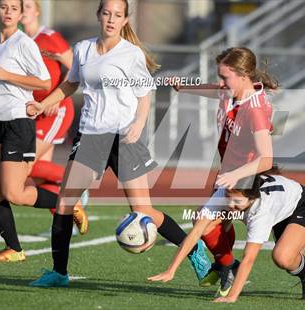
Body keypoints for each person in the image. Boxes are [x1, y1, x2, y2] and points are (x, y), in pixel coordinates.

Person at [27, 0, 210, 288]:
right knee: (65, 202)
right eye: (106, 13)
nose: (111, 19)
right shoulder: (83, 49)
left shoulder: (131, 54)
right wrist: (42, 105)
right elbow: (70, 83)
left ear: (125, 20)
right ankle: (58, 273)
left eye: (117, 15)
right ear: (98, 15)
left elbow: (145, 93)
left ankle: (195, 251)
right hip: (90, 134)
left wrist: (138, 124)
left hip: (125, 136)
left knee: (144, 211)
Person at [148, 171, 305, 302]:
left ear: (251, 197)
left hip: (304, 205)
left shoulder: (261, 210)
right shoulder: (225, 193)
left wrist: (232, 297)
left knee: (283, 257)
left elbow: (249, 259)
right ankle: (227, 264)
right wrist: (171, 270)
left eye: (237, 203)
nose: (231, 206)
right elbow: (195, 233)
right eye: (229, 199)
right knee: (201, 222)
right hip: (282, 206)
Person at [0, 0, 87, 263]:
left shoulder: (25, 43)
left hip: (18, 122)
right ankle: (14, 248)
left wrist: (6, 74)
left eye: (14, 8)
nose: (8, 12)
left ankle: (69, 203)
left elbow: (43, 80)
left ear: (20, 14)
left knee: (14, 193)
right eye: (3, 6)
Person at [172, 47, 276, 295]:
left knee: (205, 222)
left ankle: (229, 266)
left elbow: (267, 159)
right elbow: (214, 90)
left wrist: (236, 175)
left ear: (243, 76)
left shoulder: (255, 109)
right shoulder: (231, 91)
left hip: (248, 179)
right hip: (230, 172)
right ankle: (227, 265)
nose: (221, 82)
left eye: (225, 77)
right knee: (211, 224)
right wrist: (184, 87)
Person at [21, 0, 88, 236]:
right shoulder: (19, 41)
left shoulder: (49, 37)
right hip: (35, 113)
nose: (23, 10)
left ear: (37, 10)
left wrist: (55, 99)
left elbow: (74, 70)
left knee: (24, 168)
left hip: (54, 111)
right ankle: (65, 213)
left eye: (28, 6)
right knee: (35, 175)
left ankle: (77, 187)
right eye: (20, 6)